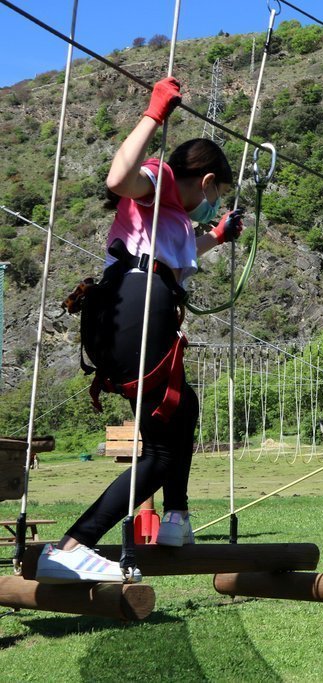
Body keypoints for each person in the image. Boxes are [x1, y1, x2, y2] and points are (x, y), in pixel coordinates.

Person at [37, 78, 244, 584]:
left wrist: (215, 236)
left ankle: (175, 518)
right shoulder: (162, 180)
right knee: (161, 451)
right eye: (216, 196)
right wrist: (153, 113)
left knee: (183, 409)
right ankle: (73, 546)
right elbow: (119, 177)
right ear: (208, 180)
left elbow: (169, 260)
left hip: (143, 306)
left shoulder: (171, 215)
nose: (213, 205)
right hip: (133, 305)